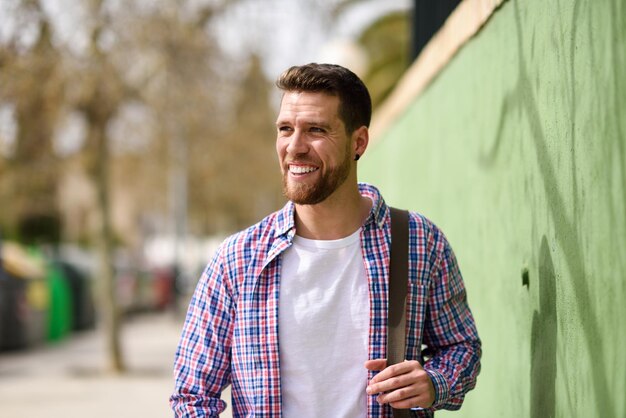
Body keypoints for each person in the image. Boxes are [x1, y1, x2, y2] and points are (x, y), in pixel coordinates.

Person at [170, 63, 481, 418]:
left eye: (316, 130)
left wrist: (434, 382)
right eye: (285, 129)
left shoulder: (419, 242)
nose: (294, 147)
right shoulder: (238, 259)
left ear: (358, 142)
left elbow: (462, 347)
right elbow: (192, 395)